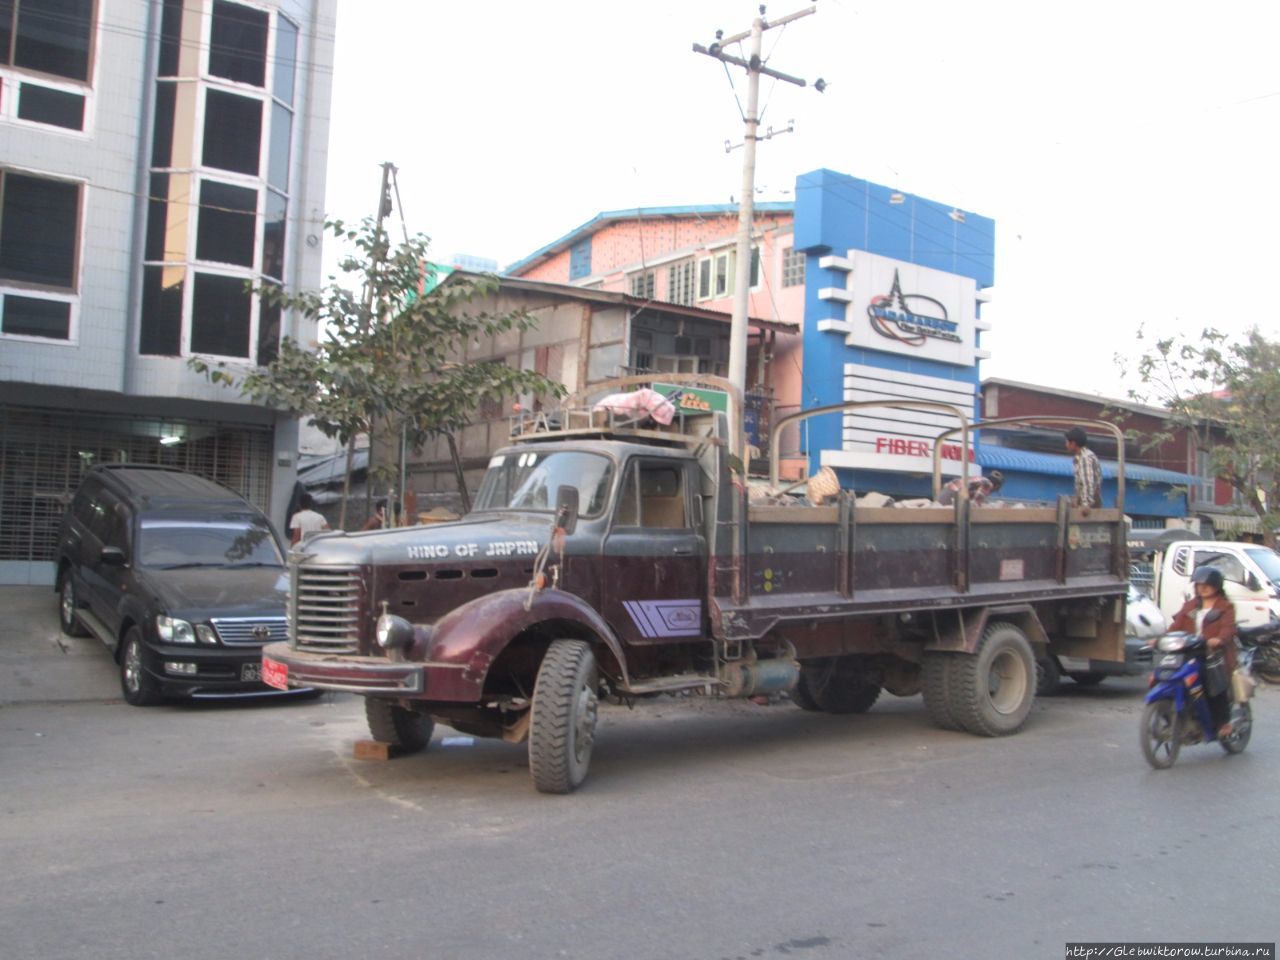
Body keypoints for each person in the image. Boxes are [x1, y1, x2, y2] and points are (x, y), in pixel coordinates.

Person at [1166, 565, 1238, 738]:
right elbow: (1175, 627)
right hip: (1188, 653)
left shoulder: (1225, 607)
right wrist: (1162, 639)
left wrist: (1218, 640)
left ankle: (1223, 722)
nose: (1203, 588)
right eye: (1199, 585)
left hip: (1214, 655)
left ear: (1216, 586)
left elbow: (1228, 629)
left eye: (1207, 585)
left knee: (1211, 682)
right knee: (1169, 674)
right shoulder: (1190, 606)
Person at [1064, 426, 1102, 514]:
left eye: (1066, 442)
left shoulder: (1085, 458)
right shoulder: (1079, 457)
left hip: (1089, 507)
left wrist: (1086, 504)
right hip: (1086, 503)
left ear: (1073, 443)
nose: (1065, 445)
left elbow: (1087, 483)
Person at [938, 469, 1004, 506]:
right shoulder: (988, 484)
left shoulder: (979, 479)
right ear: (997, 486)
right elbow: (975, 503)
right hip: (951, 496)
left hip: (944, 494)